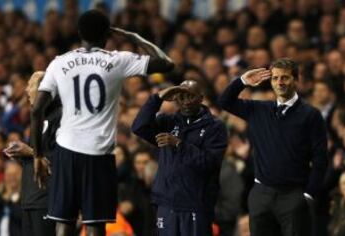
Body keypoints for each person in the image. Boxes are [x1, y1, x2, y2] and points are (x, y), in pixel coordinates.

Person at [30, 10, 174, 236]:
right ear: (108, 34)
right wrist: (134, 37)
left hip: (66, 150)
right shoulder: (117, 60)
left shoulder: (59, 62)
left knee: (63, 222)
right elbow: (167, 63)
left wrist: (38, 154)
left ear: (79, 33)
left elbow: (37, 109)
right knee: (95, 223)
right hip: (99, 153)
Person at [219, 58, 328, 236]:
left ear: (296, 80)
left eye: (285, 78)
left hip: (294, 194)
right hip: (261, 194)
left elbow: (320, 158)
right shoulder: (258, 110)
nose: (279, 82)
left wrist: (309, 195)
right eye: (275, 78)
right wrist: (242, 81)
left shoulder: (311, 115)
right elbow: (224, 101)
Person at [132, 80, 228, 236]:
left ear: (201, 98)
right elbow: (139, 127)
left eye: (191, 96)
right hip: (166, 202)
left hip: (195, 203)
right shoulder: (168, 122)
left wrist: (178, 144)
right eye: (182, 97)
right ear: (175, 99)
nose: (186, 102)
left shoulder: (215, 127)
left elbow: (209, 163)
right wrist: (158, 98)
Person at [3, 71, 58, 236]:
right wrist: (23, 156)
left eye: (31, 85)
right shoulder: (38, 120)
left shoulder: (59, 117)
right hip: (30, 200)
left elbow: (62, 160)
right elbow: (39, 160)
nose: (27, 90)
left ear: (45, 89)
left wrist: (30, 151)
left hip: (47, 200)